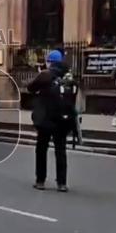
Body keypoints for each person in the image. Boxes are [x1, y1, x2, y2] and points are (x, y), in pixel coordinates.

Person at [27, 50, 75, 193]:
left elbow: (30, 88)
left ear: (49, 61)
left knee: (41, 149)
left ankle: (40, 180)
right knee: (61, 150)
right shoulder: (68, 76)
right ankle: (62, 183)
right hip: (63, 120)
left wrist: (41, 73)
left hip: (46, 119)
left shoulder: (46, 75)